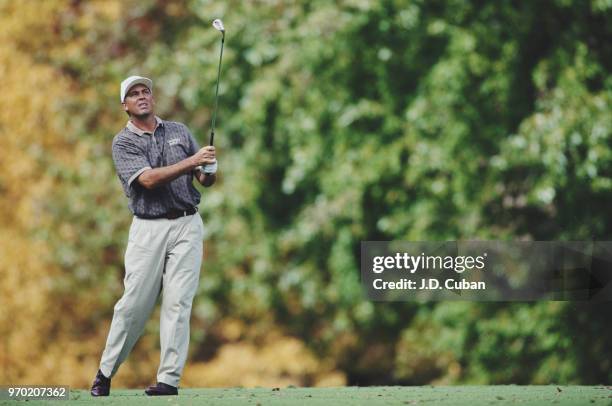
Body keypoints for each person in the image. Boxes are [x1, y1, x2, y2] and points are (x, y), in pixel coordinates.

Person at [90, 75, 217, 397]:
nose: (142, 96)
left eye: (145, 91)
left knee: (179, 303)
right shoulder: (123, 142)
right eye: (134, 94)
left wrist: (209, 168)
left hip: (187, 224)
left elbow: (203, 179)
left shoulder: (179, 132)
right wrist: (192, 160)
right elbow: (147, 180)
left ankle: (169, 380)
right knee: (134, 305)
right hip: (149, 229)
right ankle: (106, 372)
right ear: (125, 106)